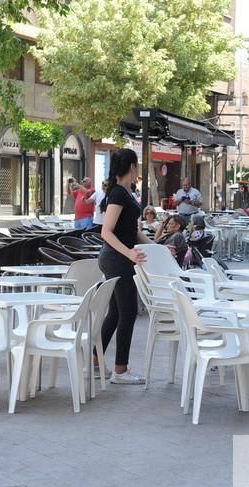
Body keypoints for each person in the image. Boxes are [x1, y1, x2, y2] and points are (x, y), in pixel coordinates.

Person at [98, 148, 153, 384]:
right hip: (117, 259)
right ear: (132, 166)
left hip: (118, 258)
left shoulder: (125, 193)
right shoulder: (119, 194)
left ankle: (93, 361)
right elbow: (106, 232)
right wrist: (129, 253)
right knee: (128, 312)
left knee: (116, 312)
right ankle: (120, 370)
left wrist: (157, 247)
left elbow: (132, 231)